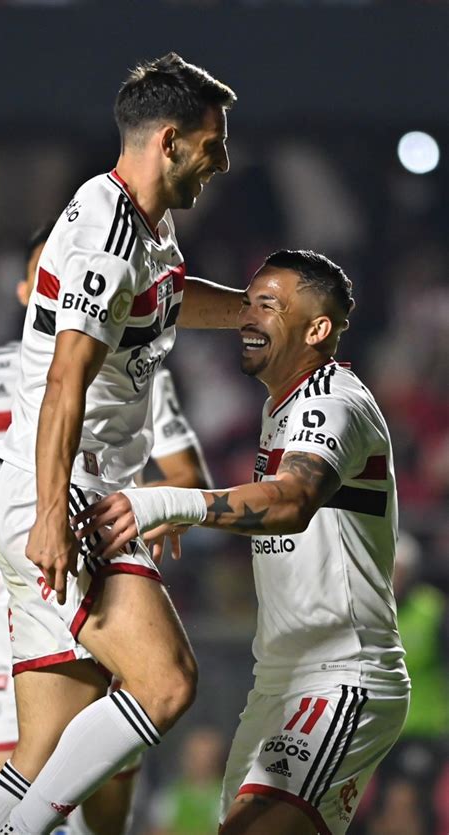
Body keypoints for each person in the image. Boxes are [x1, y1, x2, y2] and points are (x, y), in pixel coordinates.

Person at [0, 52, 239, 834]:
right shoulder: (105, 234)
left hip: (63, 495)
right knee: (165, 683)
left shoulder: (145, 233)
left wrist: (265, 312)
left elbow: (171, 300)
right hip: (62, 496)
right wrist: (52, 516)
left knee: (44, 748)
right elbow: (65, 382)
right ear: (169, 140)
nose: (220, 164)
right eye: (212, 146)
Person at [77, 250, 411, 835]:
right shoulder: (280, 407)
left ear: (317, 329)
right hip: (280, 682)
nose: (247, 317)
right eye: (247, 302)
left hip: (340, 677)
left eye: (268, 306)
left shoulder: (331, 399)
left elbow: (292, 501)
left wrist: (167, 501)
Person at [0, 226, 212, 835]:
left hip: (85, 559)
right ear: (33, 291)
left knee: (84, 800)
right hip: (21, 590)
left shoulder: (136, 366)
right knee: (160, 687)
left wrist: (143, 506)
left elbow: (185, 475)